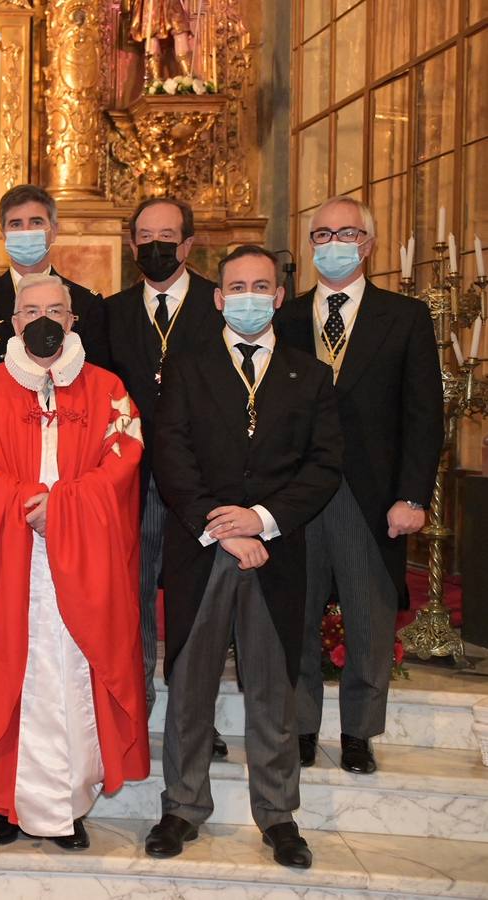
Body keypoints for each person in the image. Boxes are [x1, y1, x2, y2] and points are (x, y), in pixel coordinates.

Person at [147, 246, 342, 869]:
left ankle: (279, 816)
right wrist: (221, 523)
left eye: (263, 285)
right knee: (190, 685)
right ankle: (180, 806)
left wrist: (261, 520)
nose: (251, 294)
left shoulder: (309, 375)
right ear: (219, 298)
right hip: (203, 548)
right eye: (238, 285)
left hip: (274, 552)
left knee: (271, 688)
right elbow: (170, 453)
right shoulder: (187, 364)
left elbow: (324, 465)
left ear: (280, 296)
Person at [0, 274, 149, 850]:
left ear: (72, 319)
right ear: (13, 323)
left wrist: (62, 507)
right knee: (13, 666)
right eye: (30, 309)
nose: (43, 319)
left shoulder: (108, 388)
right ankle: (5, 802)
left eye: (54, 309)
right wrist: (23, 505)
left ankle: (68, 802)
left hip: (80, 559)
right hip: (11, 557)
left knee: (71, 674)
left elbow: (123, 462)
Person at [275, 196, 442, 774]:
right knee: (294, 612)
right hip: (295, 496)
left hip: (373, 497)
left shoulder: (405, 317)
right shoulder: (284, 318)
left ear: (368, 244)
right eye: (321, 233)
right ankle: (299, 728)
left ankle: (357, 733)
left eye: (346, 233)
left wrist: (413, 496)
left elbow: (424, 416)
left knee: (369, 618)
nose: (333, 243)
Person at [105, 195, 224, 737]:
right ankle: (137, 706)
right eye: (145, 238)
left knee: (193, 597)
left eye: (167, 237)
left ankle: (194, 718)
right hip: (132, 479)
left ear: (189, 244)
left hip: (200, 480)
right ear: (132, 246)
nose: (156, 247)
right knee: (130, 596)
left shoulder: (218, 305)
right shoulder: (111, 311)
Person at [0, 184, 109, 416]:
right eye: (15, 224)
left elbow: (97, 381)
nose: (26, 231)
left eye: (36, 222)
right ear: (3, 233)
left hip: (66, 425)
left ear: (53, 230)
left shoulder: (86, 304)